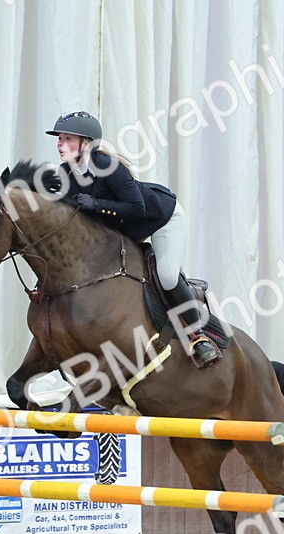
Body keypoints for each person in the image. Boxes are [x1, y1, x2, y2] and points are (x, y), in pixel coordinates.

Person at [45, 111, 220, 369]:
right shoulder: (66, 172)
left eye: (67, 138)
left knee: (168, 276)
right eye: (59, 138)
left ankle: (198, 336)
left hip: (161, 218)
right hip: (123, 230)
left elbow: (136, 207)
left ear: (87, 143)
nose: (60, 144)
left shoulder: (108, 167)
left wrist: (97, 204)